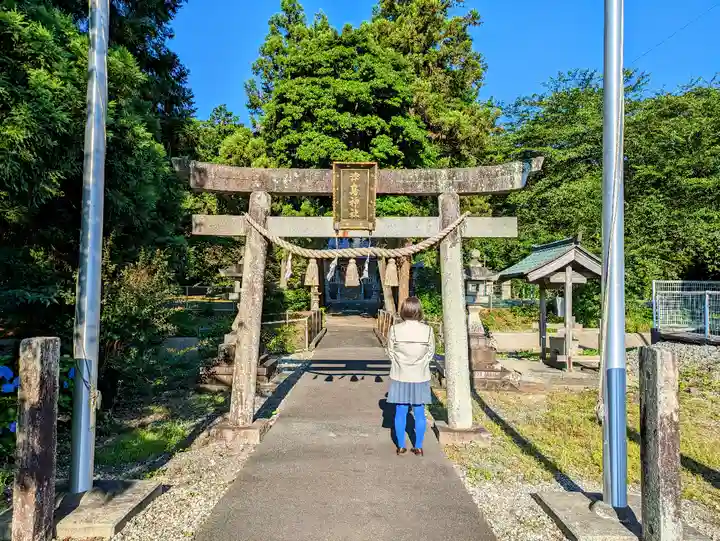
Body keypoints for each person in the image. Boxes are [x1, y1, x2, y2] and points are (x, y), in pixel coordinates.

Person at [386, 296, 435, 456]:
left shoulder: (394, 329)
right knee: (419, 411)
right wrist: (420, 364)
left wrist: (400, 363)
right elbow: (430, 353)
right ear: (419, 310)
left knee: (400, 410)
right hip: (420, 375)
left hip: (400, 374)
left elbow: (390, 352)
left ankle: (401, 445)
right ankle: (419, 446)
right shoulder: (427, 330)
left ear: (403, 310)